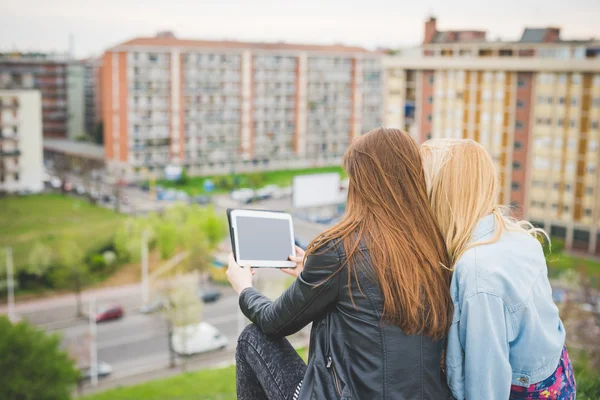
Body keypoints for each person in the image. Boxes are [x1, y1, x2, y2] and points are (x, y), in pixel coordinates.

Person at [226, 127, 454, 400]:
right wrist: (312, 273)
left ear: (362, 182)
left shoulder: (340, 248)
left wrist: (244, 289)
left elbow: (274, 322)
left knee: (252, 338)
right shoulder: (434, 246)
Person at [421, 138, 575, 400]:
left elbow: (486, 382)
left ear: (443, 194)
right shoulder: (515, 235)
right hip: (559, 377)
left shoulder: (478, 272)